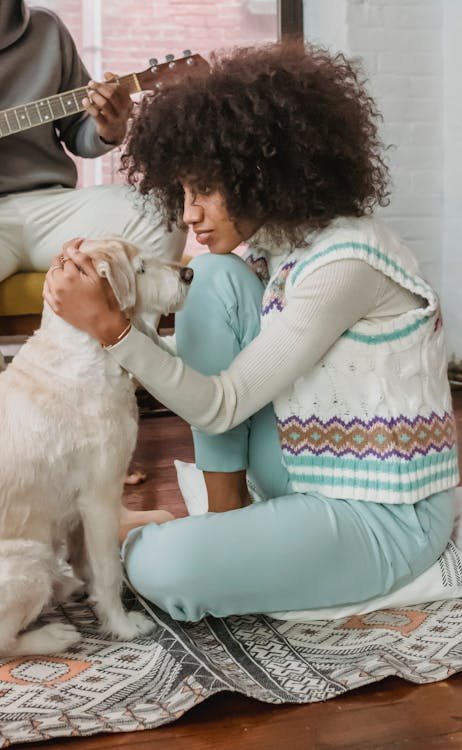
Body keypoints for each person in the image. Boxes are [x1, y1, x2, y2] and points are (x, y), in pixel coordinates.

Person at [44, 42, 459, 623]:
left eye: (204, 191)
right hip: (302, 466)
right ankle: (225, 516)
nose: (188, 214)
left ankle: (176, 541)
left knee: (161, 567)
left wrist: (111, 329)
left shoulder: (348, 262)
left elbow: (221, 404)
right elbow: (194, 368)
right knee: (209, 277)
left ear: (263, 173)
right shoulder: (274, 248)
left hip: (383, 513)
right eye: (183, 193)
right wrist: (107, 300)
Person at [0, 0, 185, 285]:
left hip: (49, 208)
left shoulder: (46, 29)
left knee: (162, 213)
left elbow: (77, 130)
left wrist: (107, 127)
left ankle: (129, 330)